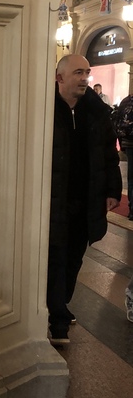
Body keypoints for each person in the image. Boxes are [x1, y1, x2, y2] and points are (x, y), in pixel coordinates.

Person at [48, 55, 122, 345]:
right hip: (55, 198)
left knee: (74, 256)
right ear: (60, 78)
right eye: (78, 72)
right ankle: (57, 319)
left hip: (85, 198)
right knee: (55, 256)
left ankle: (60, 304)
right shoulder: (47, 109)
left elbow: (109, 154)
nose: (84, 78)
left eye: (87, 72)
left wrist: (112, 191)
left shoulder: (95, 111)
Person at [111, 92, 133, 220]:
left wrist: (122, 143)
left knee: (131, 178)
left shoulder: (125, 101)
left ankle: (132, 209)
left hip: (129, 144)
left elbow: (118, 124)